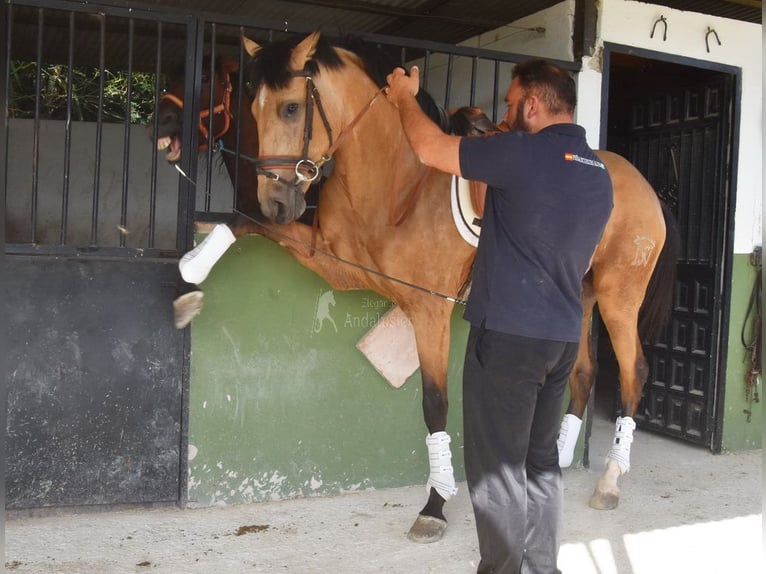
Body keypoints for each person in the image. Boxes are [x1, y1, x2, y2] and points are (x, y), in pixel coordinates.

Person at [385, 60, 613, 574]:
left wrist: (404, 96)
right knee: (540, 464)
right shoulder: (598, 173)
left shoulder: (521, 152)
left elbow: (428, 149)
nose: (506, 114)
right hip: (560, 338)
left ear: (533, 103)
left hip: (509, 339)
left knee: (498, 472)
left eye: (511, 104)